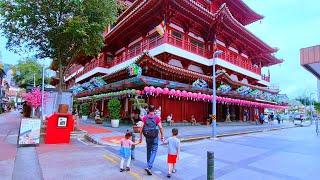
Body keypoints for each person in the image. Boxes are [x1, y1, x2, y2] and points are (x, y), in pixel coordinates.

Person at [139, 105, 164, 176]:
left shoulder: (145, 117)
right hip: (154, 136)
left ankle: (148, 166)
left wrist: (140, 137)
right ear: (154, 110)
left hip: (147, 136)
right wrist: (162, 136)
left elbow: (141, 128)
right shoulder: (157, 118)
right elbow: (161, 127)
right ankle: (149, 166)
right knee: (154, 151)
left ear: (148, 110)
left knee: (148, 150)